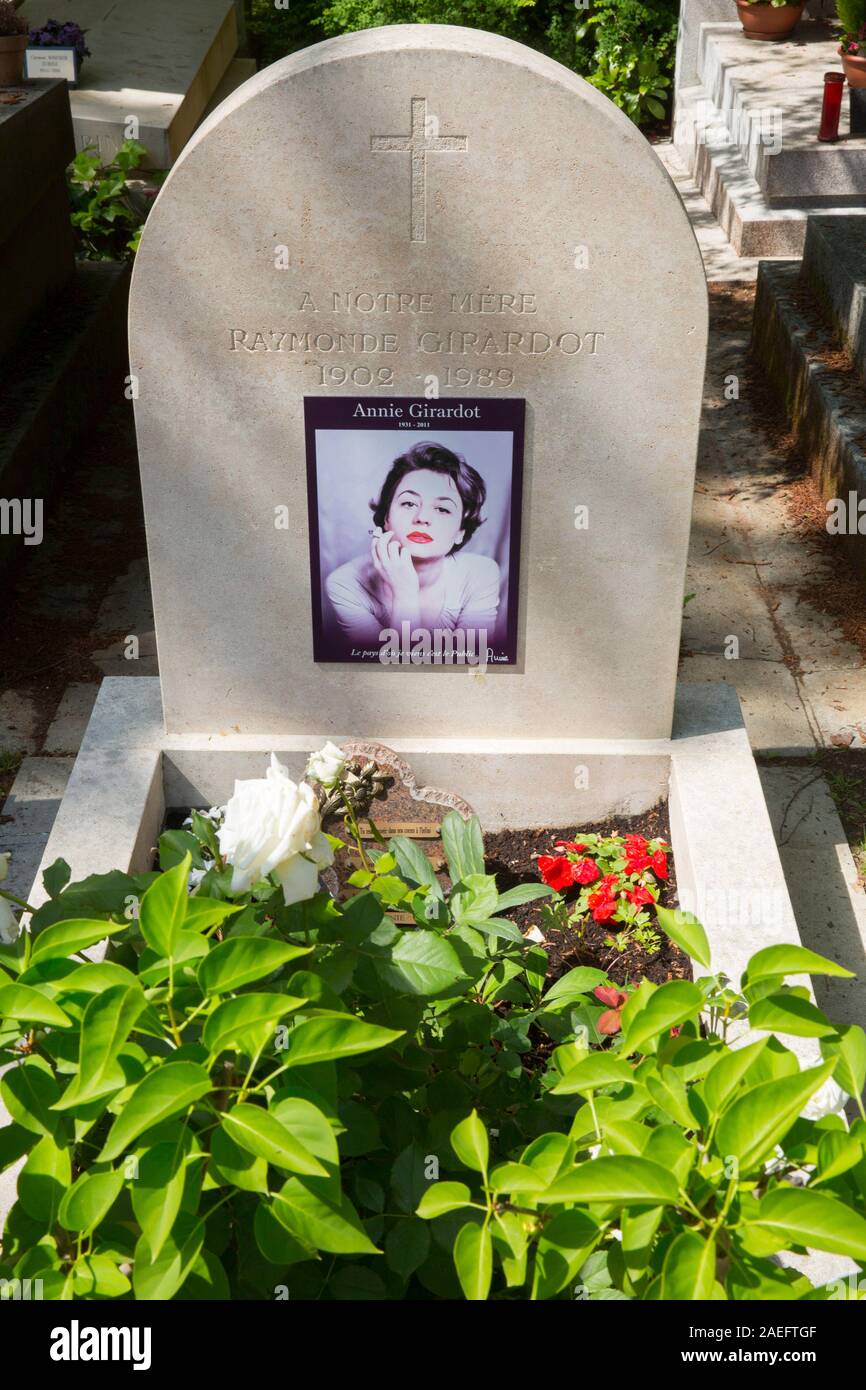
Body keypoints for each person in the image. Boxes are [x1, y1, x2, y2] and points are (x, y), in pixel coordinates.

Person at [324, 441, 501, 649]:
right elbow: (390, 672)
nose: (422, 518)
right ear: (386, 518)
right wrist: (405, 593)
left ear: (460, 531)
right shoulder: (345, 584)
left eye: (443, 509)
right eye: (409, 503)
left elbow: (468, 660)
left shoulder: (481, 574)